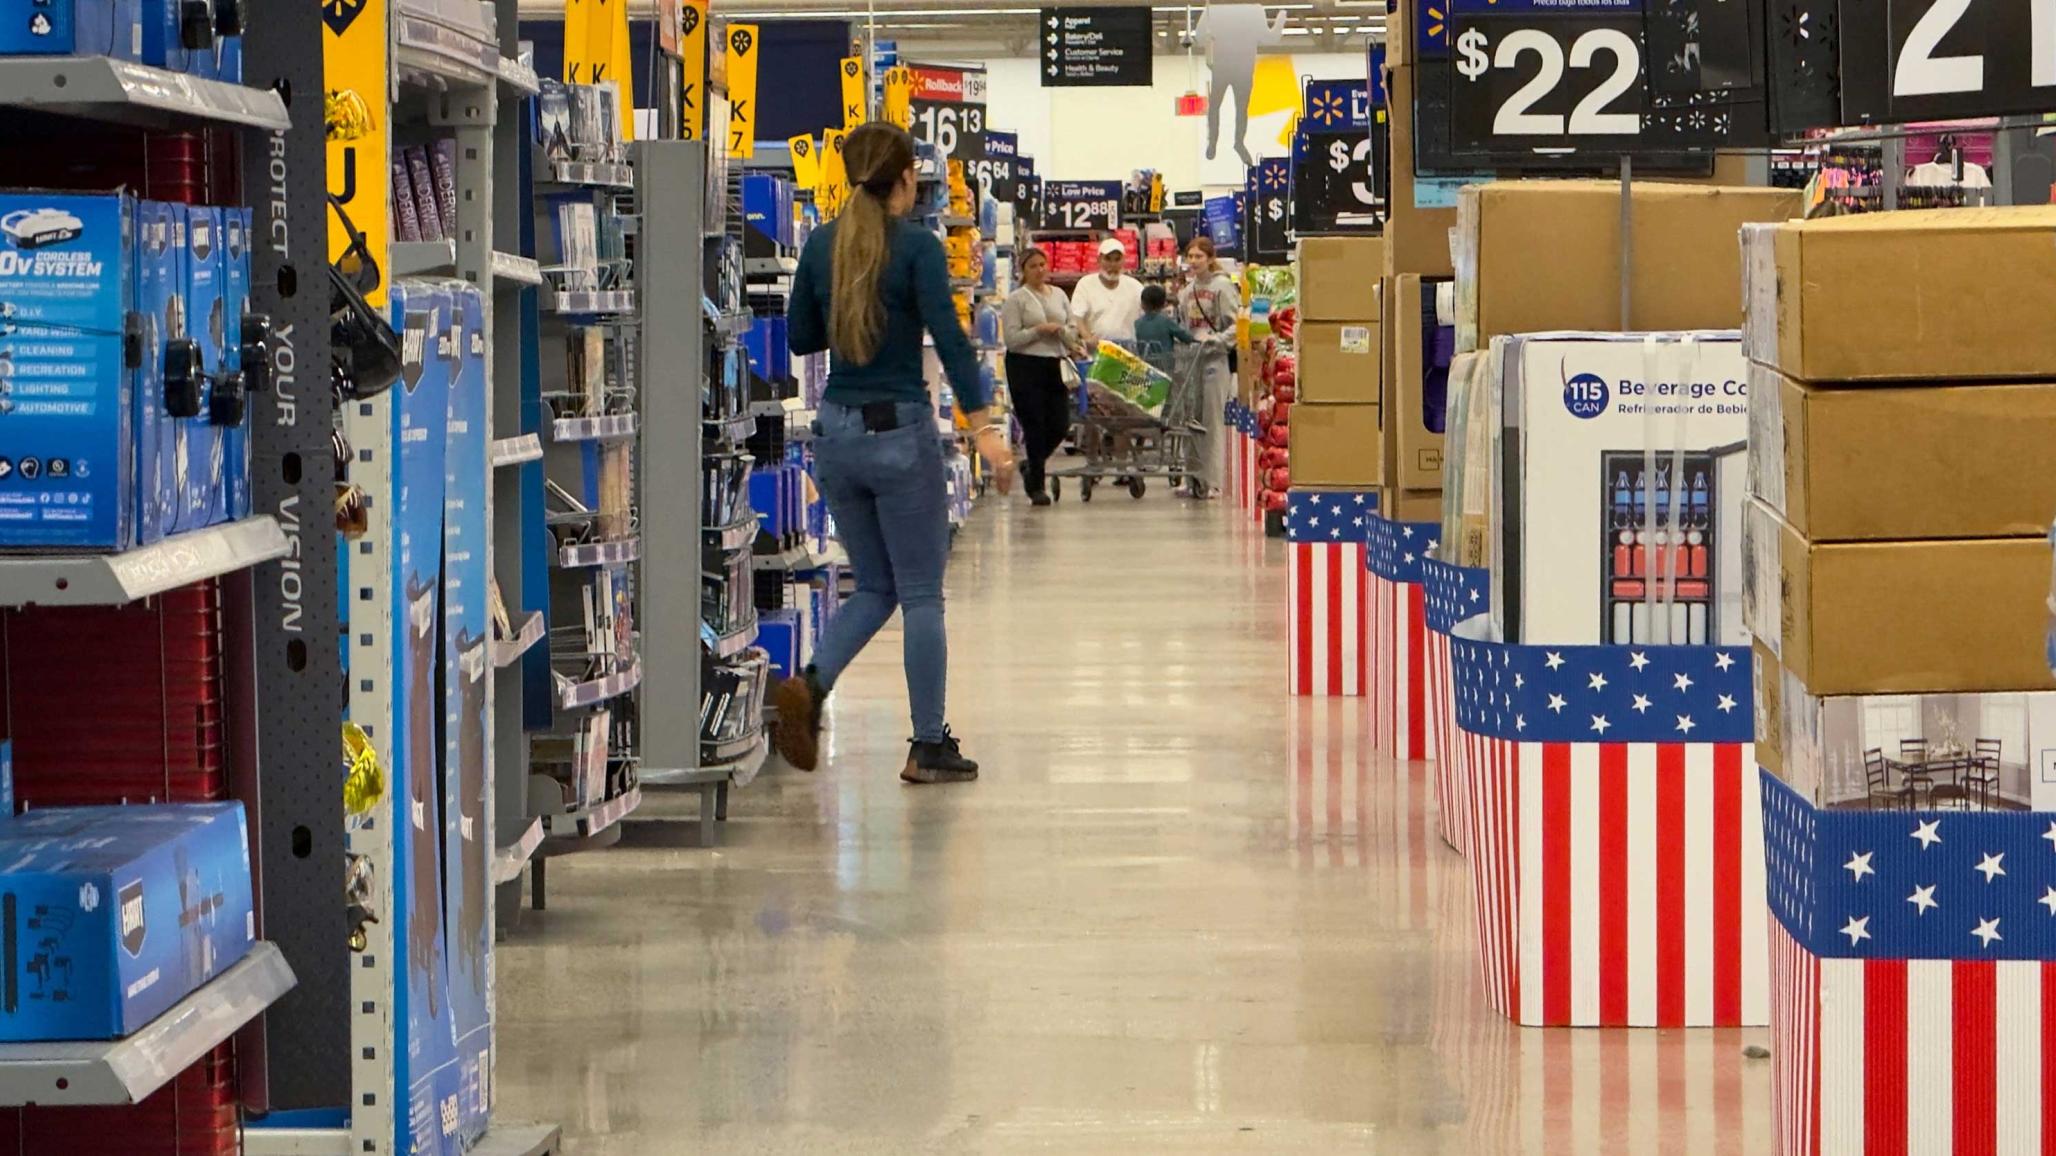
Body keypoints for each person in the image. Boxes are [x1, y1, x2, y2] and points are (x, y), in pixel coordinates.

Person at [778, 122, 1017, 785]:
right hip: (898, 433)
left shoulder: (823, 246)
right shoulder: (917, 248)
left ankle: (812, 684)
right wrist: (986, 429)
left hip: (835, 435)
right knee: (920, 596)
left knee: (876, 587)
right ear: (907, 179)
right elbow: (952, 339)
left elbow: (799, 337)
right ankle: (929, 743)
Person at [1000, 247, 1083, 507]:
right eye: (1033, 266)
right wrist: (1039, 330)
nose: (1039, 270)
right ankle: (1036, 485)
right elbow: (1012, 340)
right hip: (1025, 366)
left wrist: (1070, 338)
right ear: (1023, 271)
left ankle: (1030, 464)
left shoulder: (1059, 295)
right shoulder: (1016, 300)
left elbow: (1071, 327)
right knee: (1034, 424)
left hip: (1055, 364)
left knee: (1059, 423)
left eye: (1042, 264)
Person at [1177, 236, 1240, 500]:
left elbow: (1237, 324)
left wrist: (1217, 340)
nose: (1194, 262)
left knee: (1212, 420)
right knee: (1189, 419)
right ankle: (1191, 477)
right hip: (1192, 359)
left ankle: (1213, 480)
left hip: (1215, 359)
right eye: (1190, 257)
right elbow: (1182, 324)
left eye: (1199, 257)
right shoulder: (1186, 291)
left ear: (1210, 259)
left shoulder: (1222, 287)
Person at [1070, 237, 1146, 345]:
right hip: (1098, 348)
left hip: (1129, 349)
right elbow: (1077, 317)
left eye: (1117, 259)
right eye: (1108, 259)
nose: (1113, 264)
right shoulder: (1086, 284)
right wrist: (1088, 339)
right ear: (1099, 260)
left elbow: (1146, 315)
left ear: (1124, 260)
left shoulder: (1135, 286)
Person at [1132, 282, 1197, 375]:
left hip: (1145, 367)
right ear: (1163, 304)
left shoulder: (1137, 323)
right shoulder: (1166, 322)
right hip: (1165, 368)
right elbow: (1185, 337)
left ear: (1142, 304)